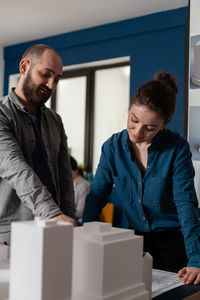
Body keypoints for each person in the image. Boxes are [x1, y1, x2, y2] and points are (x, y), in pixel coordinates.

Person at [83, 72, 200, 285]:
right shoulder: (112, 147)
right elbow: (96, 197)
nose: (137, 132)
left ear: (165, 124)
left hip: (174, 242)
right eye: (133, 120)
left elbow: (186, 204)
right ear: (129, 109)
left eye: (150, 128)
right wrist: (84, 241)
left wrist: (196, 259)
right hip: (135, 242)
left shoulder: (176, 148)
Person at [0, 44, 77, 244]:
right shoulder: (2, 115)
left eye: (57, 80)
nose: (51, 85)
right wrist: (52, 214)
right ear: (24, 67)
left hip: (53, 229)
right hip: (11, 235)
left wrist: (68, 218)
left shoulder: (55, 120)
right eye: (45, 75)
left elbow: (64, 175)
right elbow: (15, 167)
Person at [70, 156, 90, 225]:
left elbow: (80, 212)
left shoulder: (84, 186)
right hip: (71, 218)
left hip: (80, 222)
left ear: (75, 170)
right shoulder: (69, 184)